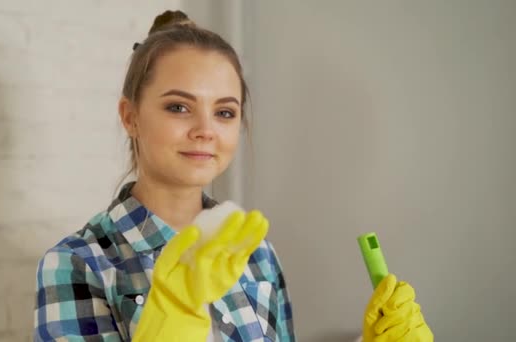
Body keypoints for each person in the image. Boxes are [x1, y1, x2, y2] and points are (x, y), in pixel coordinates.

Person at [34, 10, 433, 342]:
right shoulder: (76, 264)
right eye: (178, 107)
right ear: (130, 116)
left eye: (224, 112)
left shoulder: (257, 253)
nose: (206, 129)